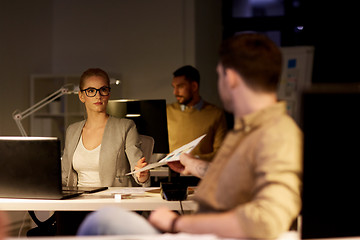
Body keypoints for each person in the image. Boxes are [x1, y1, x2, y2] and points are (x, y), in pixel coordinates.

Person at [76, 33, 303, 239]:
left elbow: (265, 221)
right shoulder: (250, 128)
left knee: (103, 221)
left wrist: (177, 223)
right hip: (197, 229)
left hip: (202, 233)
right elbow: (238, 178)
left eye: (219, 75)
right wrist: (194, 166)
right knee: (105, 220)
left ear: (231, 77)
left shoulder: (276, 134)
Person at [62, 68, 149, 187]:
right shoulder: (72, 130)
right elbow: (64, 176)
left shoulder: (125, 127)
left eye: (103, 90)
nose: (98, 96)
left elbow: (138, 169)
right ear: (82, 96)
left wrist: (142, 175)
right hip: (78, 201)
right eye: (91, 91)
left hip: (112, 201)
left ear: (108, 94)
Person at [166, 65, 227, 161]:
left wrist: (192, 159)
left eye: (180, 86)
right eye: (174, 87)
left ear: (194, 86)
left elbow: (221, 153)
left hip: (202, 173)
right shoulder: (167, 111)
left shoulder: (215, 113)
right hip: (170, 174)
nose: (175, 92)